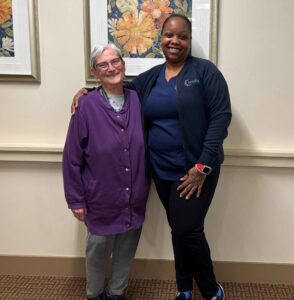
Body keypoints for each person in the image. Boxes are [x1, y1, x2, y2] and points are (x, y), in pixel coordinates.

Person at [72, 14, 231, 300]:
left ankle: (211, 290)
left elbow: (221, 117)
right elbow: (120, 88)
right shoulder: (152, 78)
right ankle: (184, 289)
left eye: (182, 36)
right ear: (161, 39)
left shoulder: (205, 73)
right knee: (178, 230)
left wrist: (202, 166)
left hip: (195, 171)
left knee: (187, 229)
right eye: (170, 35)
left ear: (189, 40)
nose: (175, 41)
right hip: (162, 172)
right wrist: (87, 92)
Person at [63, 44, 150, 300]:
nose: (111, 68)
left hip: (134, 195)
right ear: (95, 71)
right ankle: (93, 294)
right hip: (100, 196)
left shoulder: (137, 99)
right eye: (103, 64)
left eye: (115, 61)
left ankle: (116, 293)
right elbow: (71, 159)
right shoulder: (86, 106)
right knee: (98, 250)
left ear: (123, 63)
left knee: (126, 248)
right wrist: (76, 199)